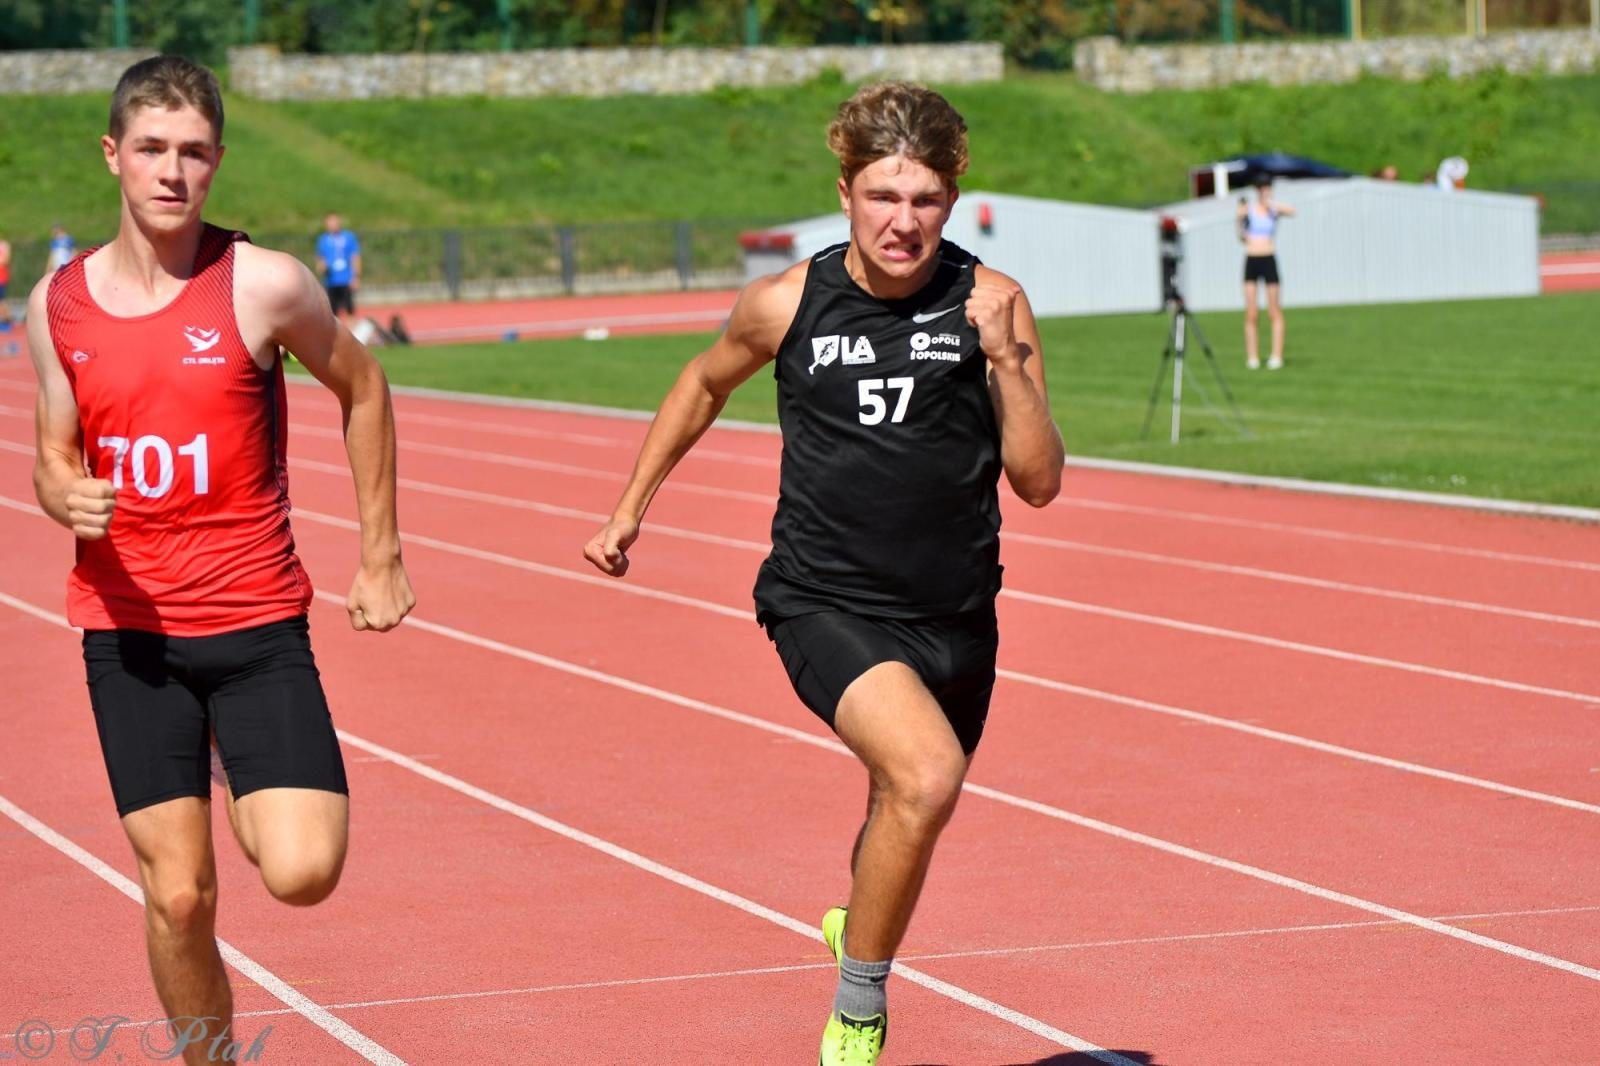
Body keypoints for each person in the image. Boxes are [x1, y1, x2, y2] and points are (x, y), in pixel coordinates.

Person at [582, 81, 1063, 1066]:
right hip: (822, 597)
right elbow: (701, 381)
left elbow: (1039, 483)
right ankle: (858, 1009)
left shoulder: (992, 301)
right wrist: (629, 509)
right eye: (883, 196)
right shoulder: (786, 301)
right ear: (844, 192)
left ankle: (857, 921)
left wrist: (1010, 367)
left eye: (924, 199)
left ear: (951, 198)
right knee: (924, 777)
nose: (903, 220)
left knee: (908, 803)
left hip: (957, 611)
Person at [25, 55, 414, 1063]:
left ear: (218, 164)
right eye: (151, 148)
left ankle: (238, 762)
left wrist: (380, 557)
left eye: (193, 152)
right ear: (112, 154)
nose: (171, 171)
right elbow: (53, 456)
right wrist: (61, 492)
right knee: (180, 891)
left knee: (301, 871)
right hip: (131, 636)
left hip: (253, 627)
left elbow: (365, 389)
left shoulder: (267, 287)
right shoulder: (57, 305)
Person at [1236, 176, 1294, 370]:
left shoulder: (1273, 210)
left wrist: (1271, 204)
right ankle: (1252, 356)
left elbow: (1292, 211)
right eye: (1262, 188)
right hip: (1252, 259)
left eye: (1267, 188)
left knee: (1273, 310)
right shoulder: (1249, 210)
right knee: (1251, 312)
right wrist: (1239, 220)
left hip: (1269, 258)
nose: (1265, 191)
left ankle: (1276, 355)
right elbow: (1241, 235)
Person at [315, 212, 361, 322]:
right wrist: (321, 266)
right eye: (330, 222)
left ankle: (353, 335)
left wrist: (356, 276)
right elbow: (320, 259)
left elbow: (355, 257)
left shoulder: (349, 237)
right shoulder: (323, 240)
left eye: (335, 221)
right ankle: (337, 337)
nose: (332, 225)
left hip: (346, 279)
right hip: (331, 281)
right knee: (332, 312)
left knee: (349, 310)